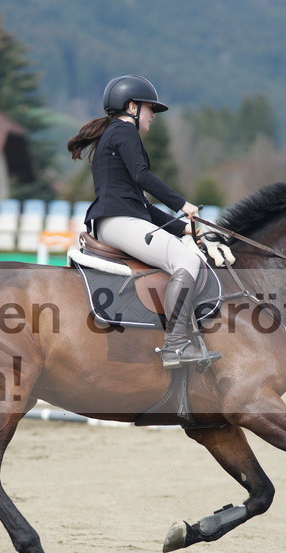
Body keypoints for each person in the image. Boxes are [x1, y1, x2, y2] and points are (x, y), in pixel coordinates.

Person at [67, 74, 220, 369]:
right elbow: (142, 177)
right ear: (132, 107)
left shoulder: (113, 134)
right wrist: (182, 204)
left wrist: (184, 227)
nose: (153, 116)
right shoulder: (124, 131)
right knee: (186, 260)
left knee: (183, 248)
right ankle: (175, 345)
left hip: (117, 218)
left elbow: (142, 205)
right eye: (150, 109)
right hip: (118, 221)